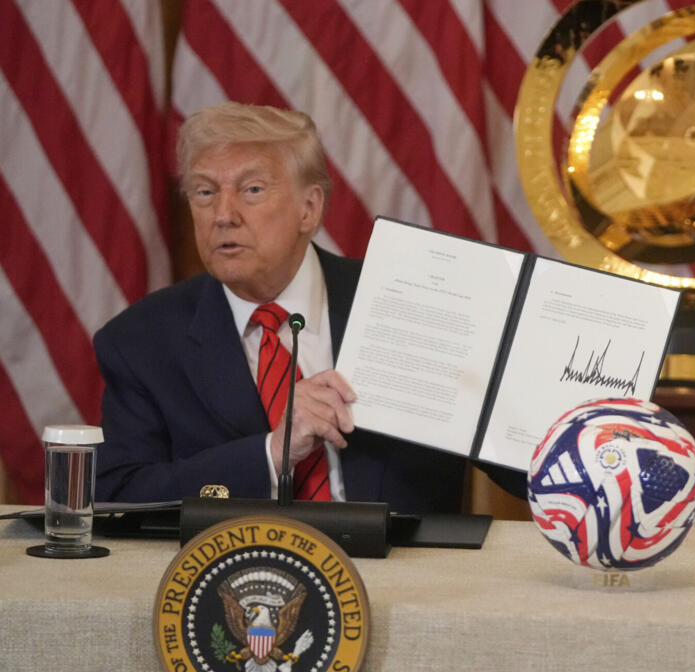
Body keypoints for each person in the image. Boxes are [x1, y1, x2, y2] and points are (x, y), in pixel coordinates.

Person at [94, 101, 524, 513]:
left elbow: (525, 469)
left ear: (309, 208)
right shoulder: (141, 342)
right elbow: (121, 496)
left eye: (252, 189)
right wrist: (268, 454)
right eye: (205, 192)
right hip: (241, 560)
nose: (223, 214)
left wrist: (500, 390)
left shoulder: (413, 307)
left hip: (407, 562)